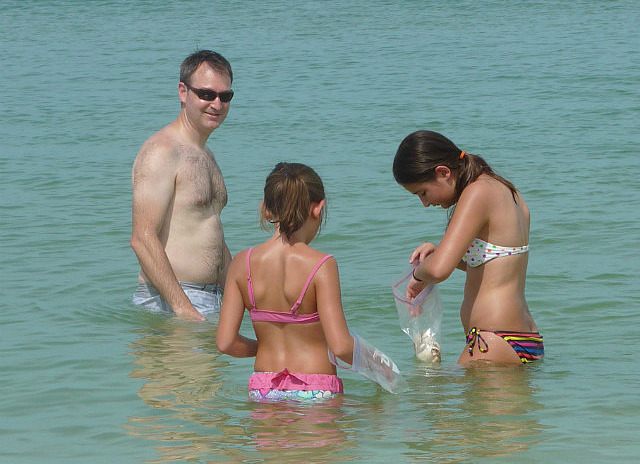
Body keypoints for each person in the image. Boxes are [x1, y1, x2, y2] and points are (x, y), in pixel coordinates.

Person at [393, 130, 543, 365]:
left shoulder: (477, 192)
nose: (424, 203)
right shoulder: (508, 191)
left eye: (422, 192)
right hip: (524, 338)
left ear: (443, 172)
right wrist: (438, 252)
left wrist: (417, 275)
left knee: (429, 396)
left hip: (492, 340)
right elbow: (493, 266)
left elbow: (439, 271)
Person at [216, 162, 357, 401]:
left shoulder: (242, 263)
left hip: (263, 389)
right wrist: (379, 365)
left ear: (266, 211)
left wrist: (262, 347)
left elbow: (225, 343)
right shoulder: (322, 265)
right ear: (318, 209)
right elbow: (341, 346)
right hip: (316, 387)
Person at [130, 50, 235, 322]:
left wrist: (245, 299)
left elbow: (212, 237)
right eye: (206, 94)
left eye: (225, 96)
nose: (217, 104)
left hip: (210, 299)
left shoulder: (206, 155)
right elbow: (142, 239)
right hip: (170, 300)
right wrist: (184, 309)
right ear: (182, 92)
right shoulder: (162, 151)